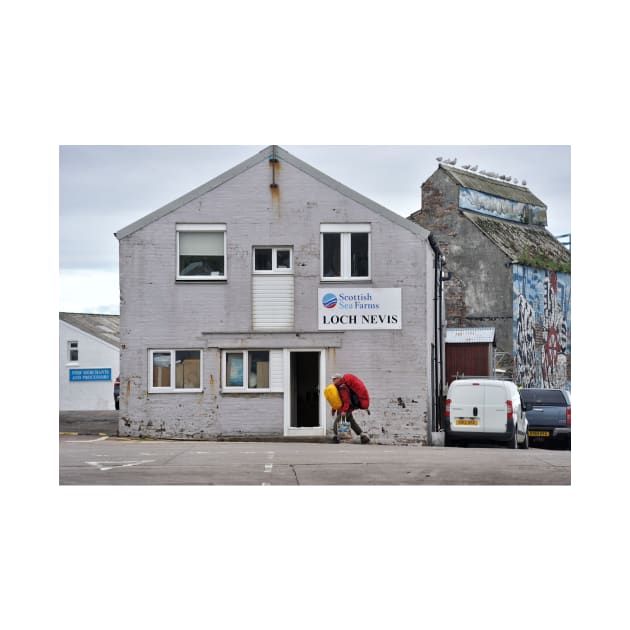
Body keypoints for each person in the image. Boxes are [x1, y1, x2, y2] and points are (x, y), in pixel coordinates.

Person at [331, 374, 370, 444]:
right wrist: (333, 409)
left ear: (339, 379)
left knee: (337, 423)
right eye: (333, 379)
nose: (333, 380)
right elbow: (336, 400)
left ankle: (336, 438)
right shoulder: (337, 387)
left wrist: (344, 411)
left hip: (346, 409)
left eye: (334, 379)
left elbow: (346, 400)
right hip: (345, 408)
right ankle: (363, 436)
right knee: (352, 423)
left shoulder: (342, 387)